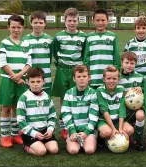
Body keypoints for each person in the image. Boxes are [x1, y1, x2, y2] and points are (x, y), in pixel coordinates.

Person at [51, 8, 87, 139]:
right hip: (62, 70)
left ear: (78, 21)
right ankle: (64, 126)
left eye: (75, 20)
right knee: (63, 98)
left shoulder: (83, 37)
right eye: (69, 20)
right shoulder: (59, 36)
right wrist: (61, 63)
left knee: (76, 97)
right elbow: (55, 52)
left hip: (76, 69)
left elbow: (84, 53)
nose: (72, 23)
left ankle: (77, 123)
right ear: (65, 21)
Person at [0, 15, 32, 148]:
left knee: (17, 108)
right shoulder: (4, 43)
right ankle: (5, 137)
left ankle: (16, 134)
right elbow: (3, 63)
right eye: (13, 27)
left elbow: (29, 63)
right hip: (8, 80)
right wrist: (13, 75)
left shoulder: (25, 44)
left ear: (23, 28)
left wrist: (21, 75)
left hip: (21, 80)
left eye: (19, 27)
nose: (16, 30)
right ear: (8, 27)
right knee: (6, 107)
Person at [17, 68, 58, 156]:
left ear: (44, 81)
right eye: (32, 82)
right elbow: (20, 120)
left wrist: (50, 130)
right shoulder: (24, 98)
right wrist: (33, 133)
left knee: (54, 150)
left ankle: (40, 143)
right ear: (27, 82)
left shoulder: (47, 97)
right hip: (30, 132)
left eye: (38, 81)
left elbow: (52, 116)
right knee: (41, 152)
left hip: (44, 131)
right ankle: (26, 145)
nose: (35, 84)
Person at [61, 65, 99, 154]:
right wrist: (72, 131)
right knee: (73, 151)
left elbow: (94, 115)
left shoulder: (93, 93)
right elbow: (66, 114)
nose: (81, 79)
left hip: (88, 131)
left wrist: (86, 132)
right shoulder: (68, 93)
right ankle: (74, 140)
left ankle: (91, 141)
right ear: (74, 79)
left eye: (84, 76)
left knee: (89, 150)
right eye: (78, 76)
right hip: (74, 130)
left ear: (89, 78)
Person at [96, 65, 134, 145]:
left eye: (114, 78)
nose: (111, 81)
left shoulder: (121, 89)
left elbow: (122, 109)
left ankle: (116, 134)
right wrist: (113, 128)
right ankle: (101, 137)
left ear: (118, 79)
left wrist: (120, 128)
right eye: (108, 78)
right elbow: (104, 110)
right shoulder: (99, 91)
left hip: (117, 120)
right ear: (104, 79)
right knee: (107, 132)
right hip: (104, 121)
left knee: (130, 130)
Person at [83, 9, 121, 89]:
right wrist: (86, 73)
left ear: (107, 21)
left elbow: (116, 56)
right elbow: (86, 58)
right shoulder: (89, 37)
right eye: (97, 20)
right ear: (93, 21)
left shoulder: (112, 36)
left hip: (109, 77)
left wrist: (116, 72)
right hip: (93, 76)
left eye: (103, 20)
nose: (100, 23)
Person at [118, 52, 146, 151]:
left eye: (132, 63)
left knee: (140, 115)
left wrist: (141, 88)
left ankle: (138, 140)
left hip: (136, 108)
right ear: (122, 63)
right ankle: (130, 134)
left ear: (135, 64)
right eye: (127, 63)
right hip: (122, 109)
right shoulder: (118, 77)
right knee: (128, 140)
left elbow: (145, 90)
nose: (129, 65)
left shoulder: (140, 77)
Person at [23, 11, 53, 95]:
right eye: (35, 22)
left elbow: (50, 57)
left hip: (46, 75)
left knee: (46, 100)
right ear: (31, 23)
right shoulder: (25, 40)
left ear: (45, 23)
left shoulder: (50, 40)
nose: (38, 25)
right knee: (30, 101)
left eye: (40, 22)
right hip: (31, 76)